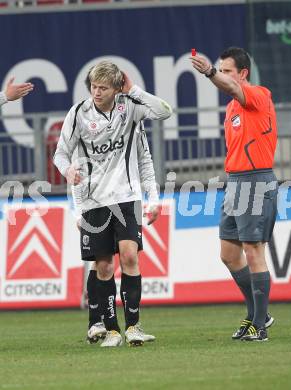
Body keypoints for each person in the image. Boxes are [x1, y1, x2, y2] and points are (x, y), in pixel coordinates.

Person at [54, 60, 171, 347]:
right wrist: (67, 171)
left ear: (117, 87)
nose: (96, 92)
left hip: (127, 197)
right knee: (103, 266)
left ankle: (133, 326)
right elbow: (60, 155)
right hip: (94, 201)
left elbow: (164, 112)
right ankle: (110, 328)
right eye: (93, 86)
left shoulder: (130, 107)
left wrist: (134, 90)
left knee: (130, 256)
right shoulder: (79, 114)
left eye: (103, 87)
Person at [191, 47, 277, 341]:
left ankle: (260, 327)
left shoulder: (259, 94)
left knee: (254, 252)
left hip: (255, 180)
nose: (223, 77)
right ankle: (259, 314)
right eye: (221, 70)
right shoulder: (231, 108)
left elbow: (228, 85)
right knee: (228, 254)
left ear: (243, 74)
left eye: (228, 71)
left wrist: (209, 72)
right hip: (235, 182)